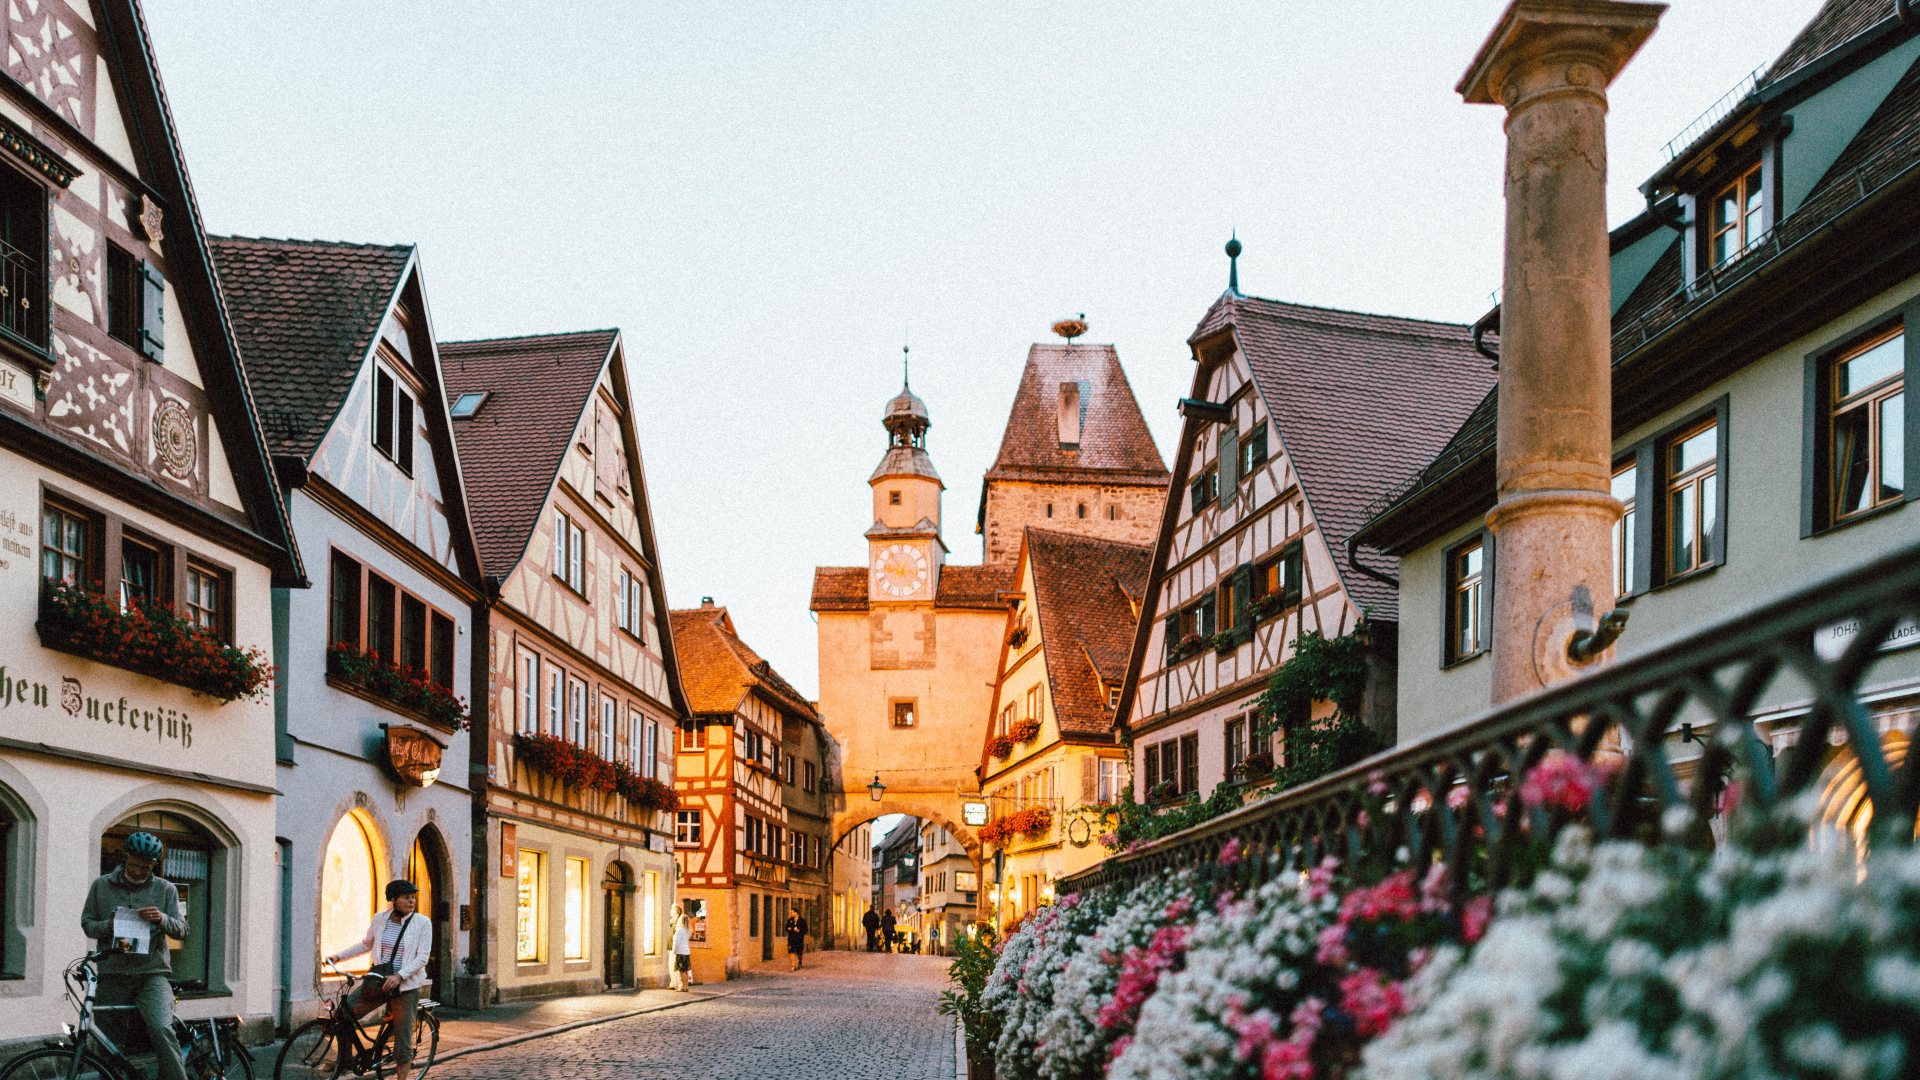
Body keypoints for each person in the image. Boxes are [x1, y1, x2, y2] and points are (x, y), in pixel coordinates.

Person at [81, 831, 190, 1080]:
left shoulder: (166, 889)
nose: (139, 871)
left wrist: (161, 918)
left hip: (151, 974)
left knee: (162, 1028)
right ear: (126, 858)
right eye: (135, 865)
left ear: (154, 865)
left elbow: (183, 930)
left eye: (146, 867)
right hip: (113, 973)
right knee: (109, 1041)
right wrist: (106, 926)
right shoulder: (101, 885)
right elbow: (87, 922)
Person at [327, 881, 432, 1080]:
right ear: (393, 900)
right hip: (379, 981)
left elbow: (422, 957)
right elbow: (366, 944)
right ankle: (345, 1060)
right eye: (405, 897)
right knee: (343, 1014)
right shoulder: (380, 919)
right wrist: (338, 957)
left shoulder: (422, 923)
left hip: (405, 986)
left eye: (413, 897)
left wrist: (400, 975)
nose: (411, 901)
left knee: (402, 1039)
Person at [671, 914, 693, 991]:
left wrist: (674, 950)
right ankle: (686, 986)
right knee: (686, 970)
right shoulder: (688, 931)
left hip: (680, 952)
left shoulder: (680, 930)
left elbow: (676, 942)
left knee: (681, 971)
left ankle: (682, 986)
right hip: (686, 951)